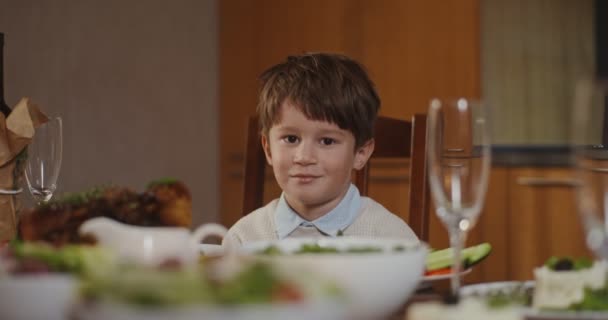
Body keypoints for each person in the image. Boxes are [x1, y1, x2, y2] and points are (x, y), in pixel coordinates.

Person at [223, 53, 418, 248]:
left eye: (326, 141)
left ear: (361, 153)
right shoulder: (243, 239)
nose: (304, 157)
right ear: (268, 149)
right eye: (291, 139)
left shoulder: (393, 240)